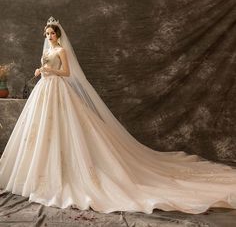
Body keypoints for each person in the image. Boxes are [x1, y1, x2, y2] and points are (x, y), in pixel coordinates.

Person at [0, 17, 236, 215]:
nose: (49, 36)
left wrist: (50, 70)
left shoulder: (61, 50)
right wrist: (41, 70)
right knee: (39, 130)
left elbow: (67, 72)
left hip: (59, 90)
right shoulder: (48, 50)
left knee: (66, 128)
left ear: (58, 34)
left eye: (51, 33)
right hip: (45, 91)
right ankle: (36, 174)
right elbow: (48, 70)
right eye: (47, 33)